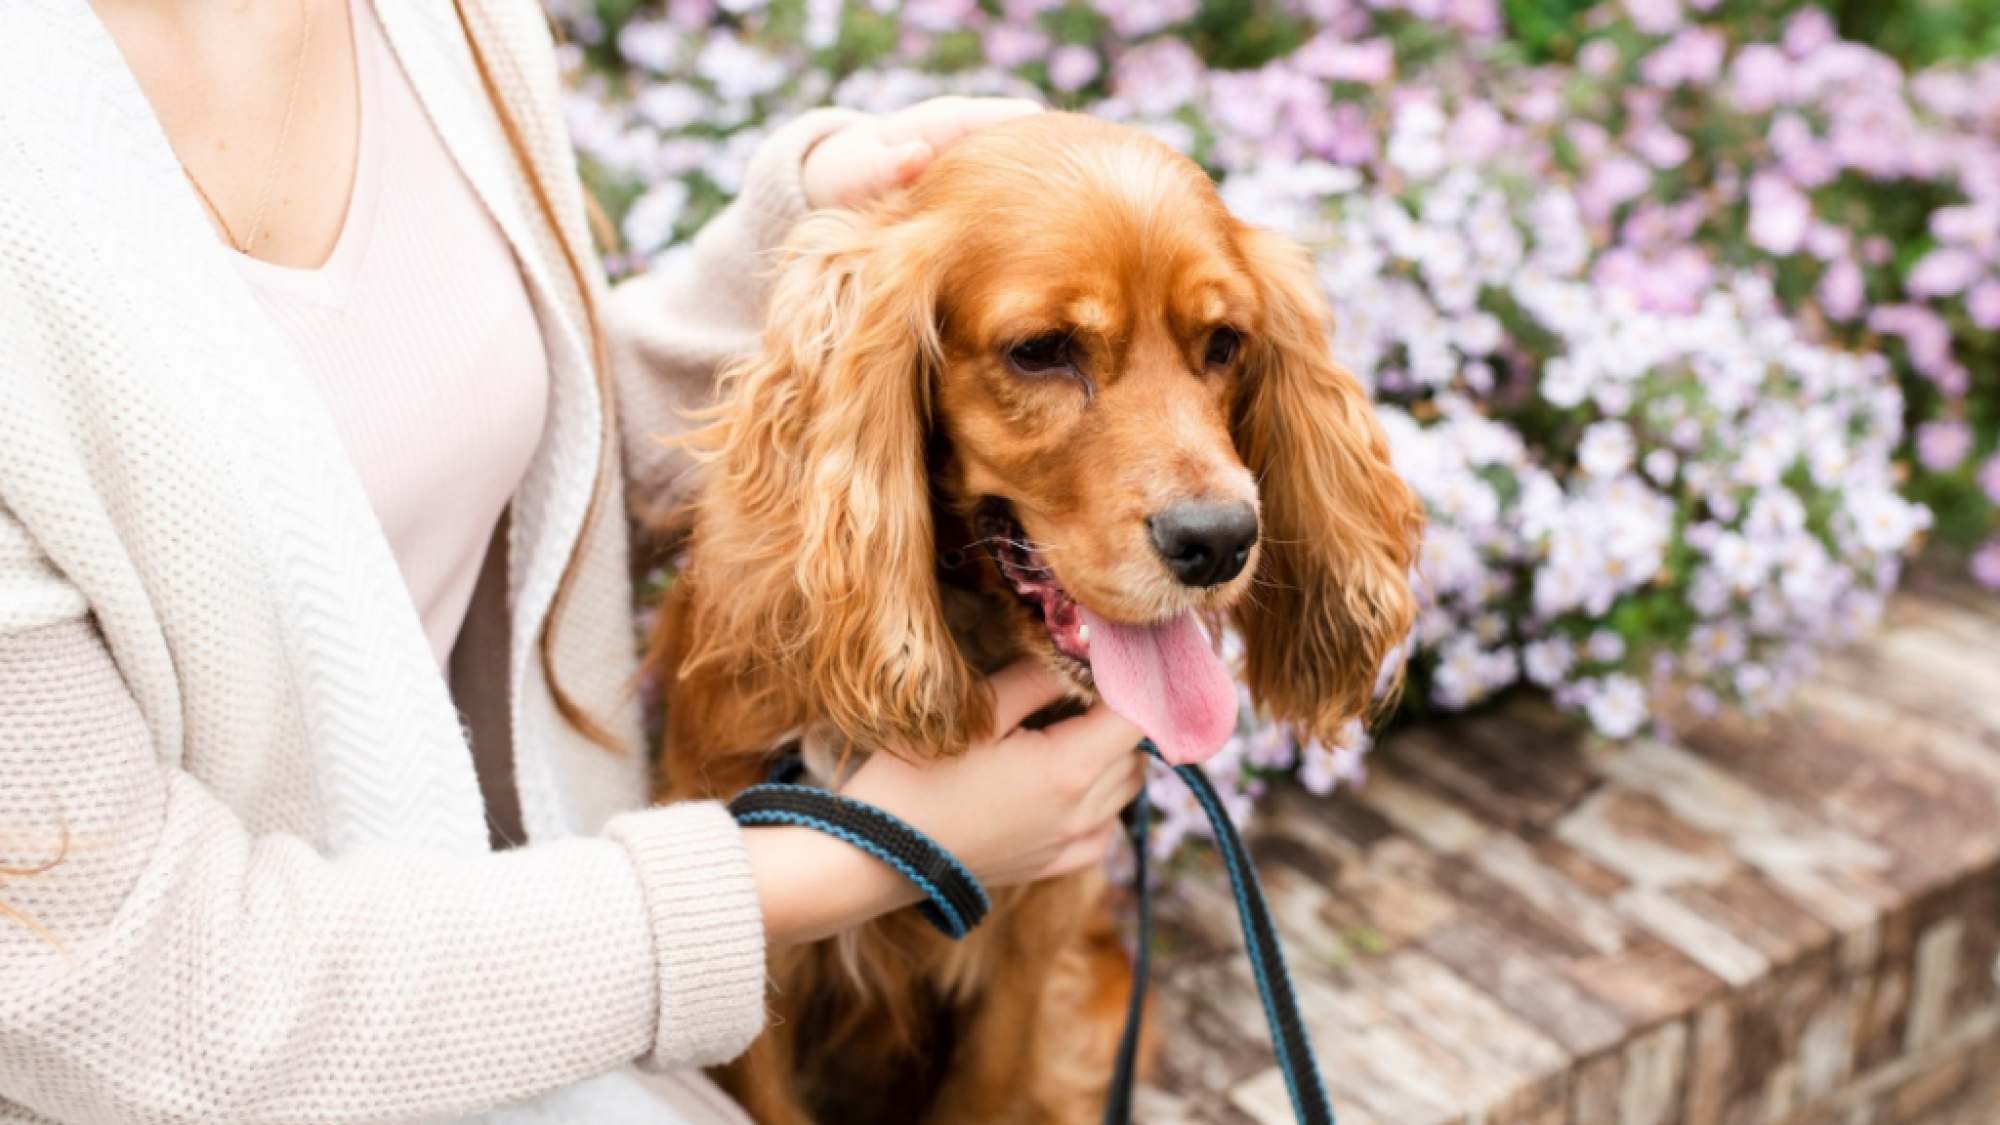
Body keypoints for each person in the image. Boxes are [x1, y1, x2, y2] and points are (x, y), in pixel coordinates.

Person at [0, 0, 1145, 1121]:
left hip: (552, 917)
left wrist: (791, 273)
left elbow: (461, 472)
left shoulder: (446, 22)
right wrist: (854, 859)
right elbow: (142, 1009)